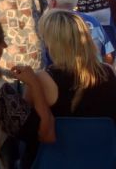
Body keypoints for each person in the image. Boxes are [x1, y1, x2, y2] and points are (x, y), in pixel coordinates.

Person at [7, 9, 116, 165]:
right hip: (103, 160)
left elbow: (29, 129)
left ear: (52, 44)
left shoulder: (42, 80)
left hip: (54, 161)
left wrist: (32, 84)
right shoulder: (109, 72)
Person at [44, 0, 114, 64]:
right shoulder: (92, 20)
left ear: (53, 3)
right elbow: (108, 56)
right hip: (95, 68)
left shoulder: (50, 25)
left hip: (66, 70)